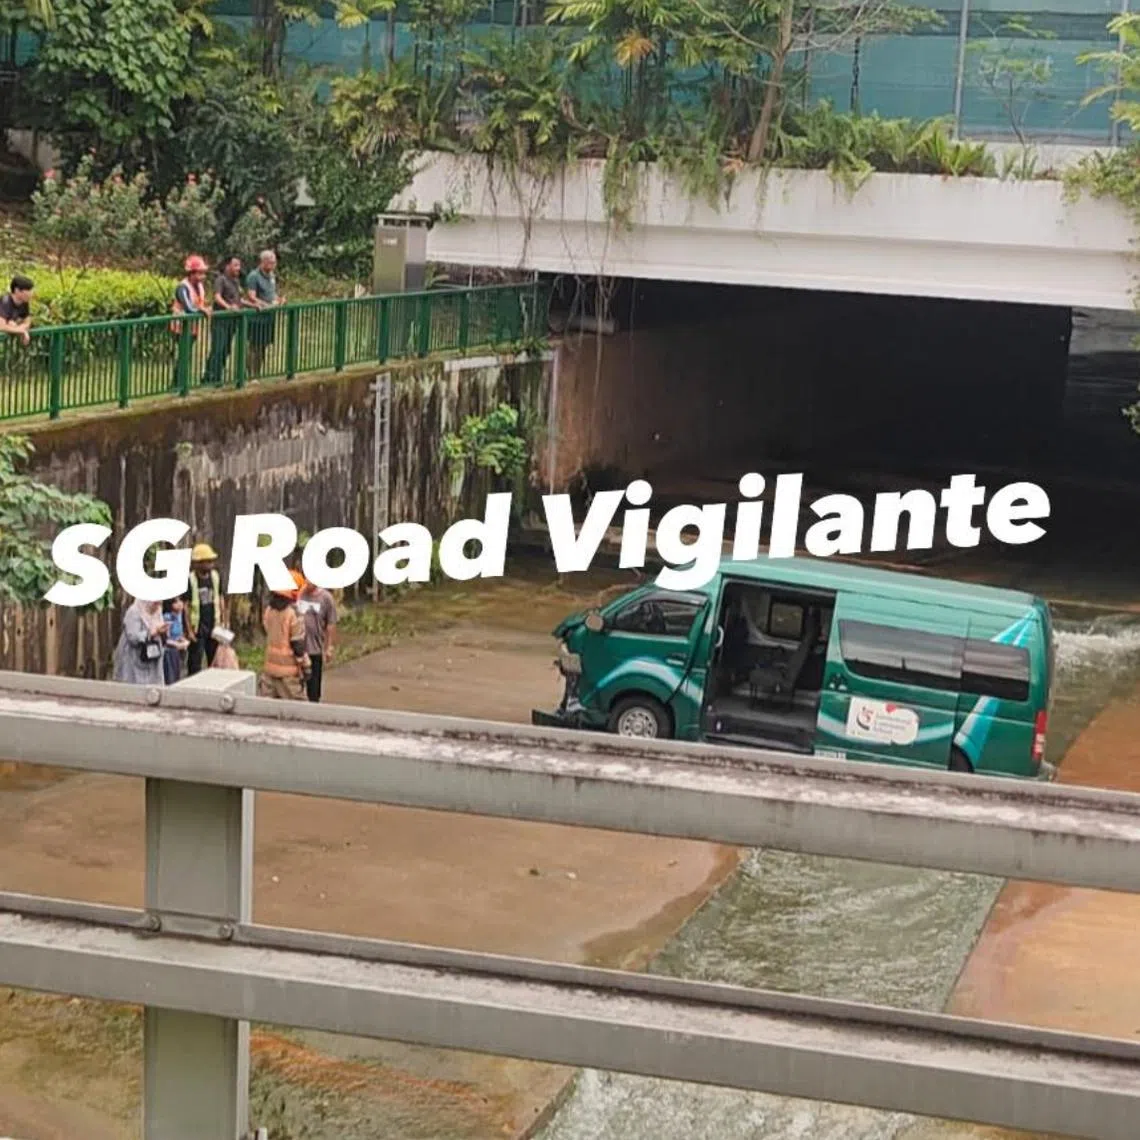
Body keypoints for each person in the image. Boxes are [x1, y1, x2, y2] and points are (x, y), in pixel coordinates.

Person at [258, 575, 310, 700]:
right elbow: (297, 644)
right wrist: (306, 666)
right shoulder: (294, 613)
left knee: (266, 710)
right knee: (298, 710)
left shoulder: (269, 610)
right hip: (288, 673)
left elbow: (266, 630)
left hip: (269, 670)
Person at [203, 255, 246, 386]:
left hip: (232, 322)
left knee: (226, 349)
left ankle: (218, 374)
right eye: (235, 265)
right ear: (227, 266)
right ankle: (211, 376)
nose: (238, 268)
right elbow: (217, 297)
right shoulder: (220, 280)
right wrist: (228, 307)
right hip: (220, 321)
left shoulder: (236, 281)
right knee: (218, 348)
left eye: (239, 265)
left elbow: (239, 299)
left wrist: (253, 304)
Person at [185, 542, 226, 675]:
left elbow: (220, 598)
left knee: (214, 659)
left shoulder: (215, 576)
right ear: (198, 563)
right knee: (195, 661)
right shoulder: (190, 580)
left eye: (211, 561)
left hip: (214, 624)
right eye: (207, 561)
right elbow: (186, 606)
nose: (210, 564)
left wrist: (224, 621)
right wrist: (190, 631)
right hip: (198, 627)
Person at [171, 255, 211, 390]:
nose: (203, 276)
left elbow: (199, 304)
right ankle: (177, 385)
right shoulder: (182, 287)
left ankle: (180, 384)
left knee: (186, 356)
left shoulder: (199, 286)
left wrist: (204, 308)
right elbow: (189, 308)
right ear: (191, 273)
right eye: (200, 273)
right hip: (180, 327)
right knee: (183, 356)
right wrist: (202, 310)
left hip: (192, 327)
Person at [296, 574, 338, 703]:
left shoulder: (326, 598)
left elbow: (331, 624)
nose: (307, 582)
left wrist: (329, 647)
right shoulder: (298, 595)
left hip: (315, 649)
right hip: (298, 650)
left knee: (313, 689)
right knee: (295, 686)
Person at [245, 249, 284, 378]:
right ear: (263, 262)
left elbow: (272, 293)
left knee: (263, 346)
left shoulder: (272, 276)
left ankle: (257, 373)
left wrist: (278, 300)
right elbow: (251, 296)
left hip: (269, 317)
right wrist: (264, 304)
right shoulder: (253, 276)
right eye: (271, 263)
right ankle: (250, 374)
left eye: (274, 262)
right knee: (254, 346)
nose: (274, 265)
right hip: (257, 318)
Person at [112, 598, 168, 687]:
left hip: (153, 655)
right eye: (155, 603)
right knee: (134, 687)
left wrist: (163, 631)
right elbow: (133, 636)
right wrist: (151, 633)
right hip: (135, 656)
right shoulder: (134, 612)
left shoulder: (157, 612)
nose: (157, 605)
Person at [162, 597, 190, 685]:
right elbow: (165, 639)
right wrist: (177, 645)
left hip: (179, 650)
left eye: (180, 601)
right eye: (176, 602)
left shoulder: (179, 616)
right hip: (169, 651)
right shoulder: (167, 617)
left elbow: (179, 634)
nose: (180, 604)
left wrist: (183, 640)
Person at [0, 275, 34, 345]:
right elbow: (1, 326)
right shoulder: (5, 301)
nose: (31, 293)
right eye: (28, 290)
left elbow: (28, 321)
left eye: (31, 290)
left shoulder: (24, 302)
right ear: (17, 290)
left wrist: (18, 328)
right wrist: (21, 330)